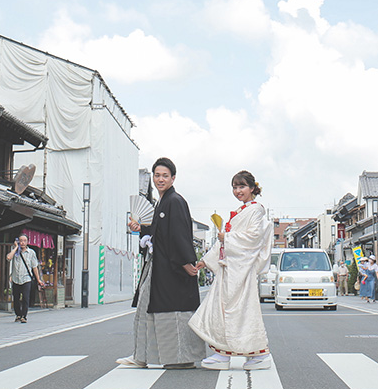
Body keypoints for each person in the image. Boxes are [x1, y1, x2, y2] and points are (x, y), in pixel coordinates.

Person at [117, 157, 206, 369]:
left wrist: (186, 262)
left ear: (173, 178)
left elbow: (178, 235)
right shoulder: (162, 203)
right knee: (146, 309)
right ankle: (142, 356)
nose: (160, 179)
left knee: (174, 313)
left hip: (172, 269)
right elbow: (159, 232)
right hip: (160, 267)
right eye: (157, 175)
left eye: (165, 175)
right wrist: (142, 229)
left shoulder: (174, 201)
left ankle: (181, 358)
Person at [190, 170, 273, 371]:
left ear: (252, 188)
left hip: (241, 271)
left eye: (242, 186)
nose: (238, 191)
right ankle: (224, 353)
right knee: (225, 310)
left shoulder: (256, 210)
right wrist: (205, 260)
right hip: (233, 268)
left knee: (241, 312)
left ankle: (258, 353)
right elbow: (232, 237)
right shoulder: (245, 210)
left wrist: (226, 238)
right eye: (235, 187)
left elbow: (253, 238)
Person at [6, 234, 44, 324]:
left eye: (24, 241)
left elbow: (35, 267)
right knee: (16, 298)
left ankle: (24, 316)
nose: (22, 242)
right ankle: (18, 315)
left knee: (26, 298)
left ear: (27, 242)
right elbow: (8, 258)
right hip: (16, 278)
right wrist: (16, 248)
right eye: (20, 240)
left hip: (26, 278)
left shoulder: (31, 253)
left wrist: (38, 279)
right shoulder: (15, 252)